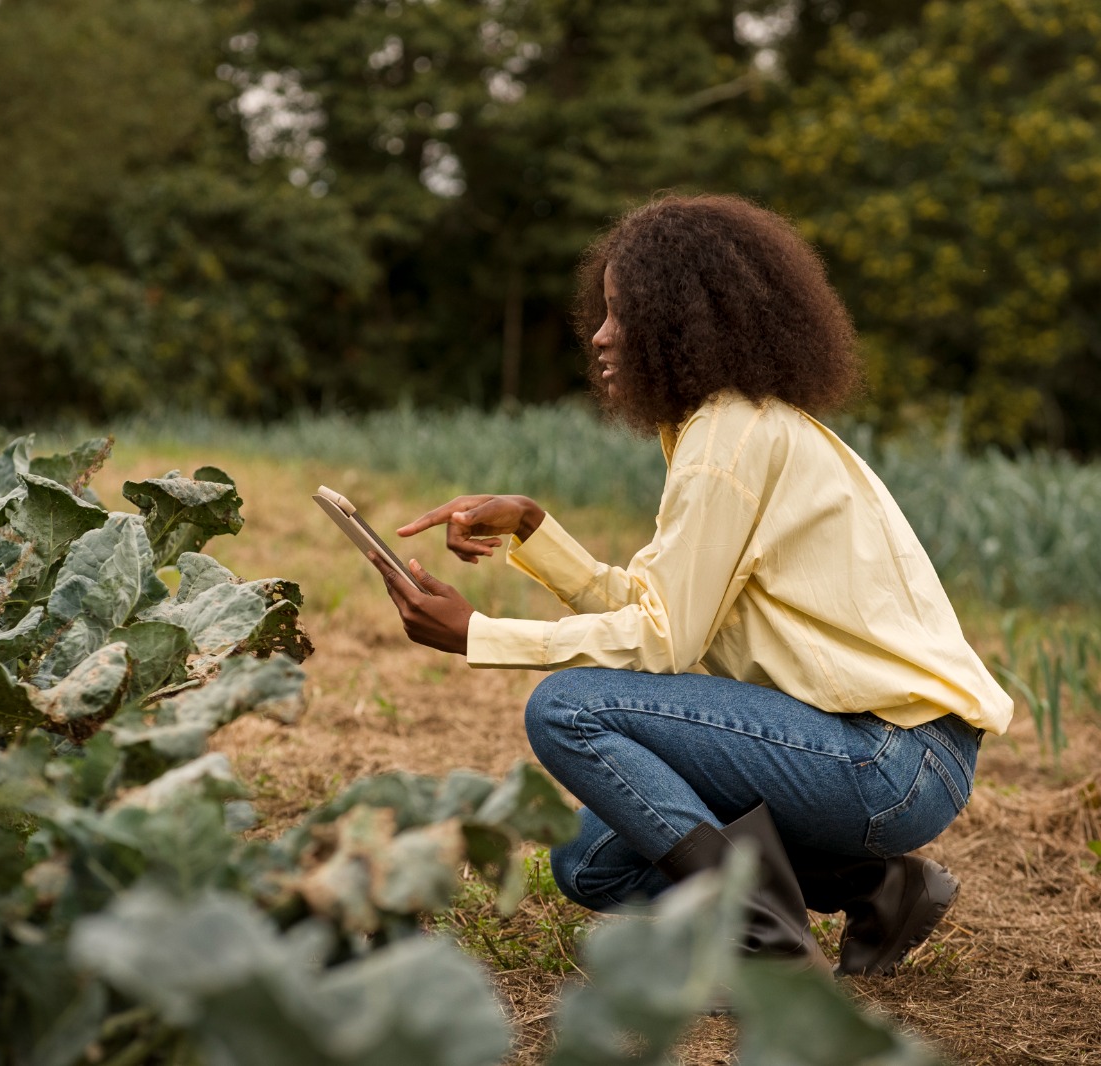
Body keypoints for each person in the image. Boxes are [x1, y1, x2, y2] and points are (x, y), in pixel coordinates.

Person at [366, 193, 1013, 975]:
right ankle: (878, 887)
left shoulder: (729, 437)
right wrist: (536, 529)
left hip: (890, 761)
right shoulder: (733, 426)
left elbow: (661, 641)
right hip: (878, 756)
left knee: (567, 709)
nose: (599, 337)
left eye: (619, 314)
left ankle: (765, 949)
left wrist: (480, 637)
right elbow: (665, 615)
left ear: (680, 320)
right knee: (589, 864)